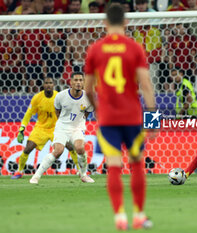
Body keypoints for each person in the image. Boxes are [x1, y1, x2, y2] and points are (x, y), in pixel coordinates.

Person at [84, 5, 156, 231]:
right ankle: (139, 216)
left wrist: (97, 108)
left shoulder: (95, 50)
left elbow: (87, 89)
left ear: (105, 23)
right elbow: (145, 85)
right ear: (126, 23)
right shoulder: (134, 48)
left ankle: (119, 218)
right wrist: (153, 118)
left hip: (107, 118)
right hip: (132, 116)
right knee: (136, 164)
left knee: (113, 166)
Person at [29, 72, 94, 184]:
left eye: (80, 80)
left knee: (80, 149)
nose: (78, 83)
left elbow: (86, 114)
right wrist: (64, 123)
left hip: (77, 128)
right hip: (62, 127)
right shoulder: (61, 96)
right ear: (71, 82)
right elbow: (57, 112)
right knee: (58, 151)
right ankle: (36, 175)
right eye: (76, 80)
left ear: (83, 82)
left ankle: (83, 175)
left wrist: (78, 123)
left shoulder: (88, 97)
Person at [11, 77, 80, 179]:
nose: (48, 85)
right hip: (41, 129)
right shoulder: (37, 98)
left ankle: (80, 170)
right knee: (28, 148)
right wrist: (22, 129)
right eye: (46, 83)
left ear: (53, 84)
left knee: (71, 147)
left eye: (50, 83)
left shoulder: (59, 96)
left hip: (56, 128)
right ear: (43, 85)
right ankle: (19, 171)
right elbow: (28, 114)